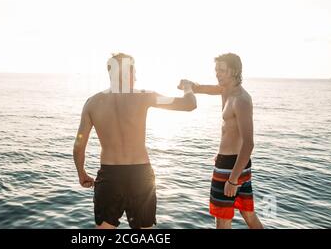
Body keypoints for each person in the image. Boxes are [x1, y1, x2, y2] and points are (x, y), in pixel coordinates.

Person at [73, 53, 196, 229]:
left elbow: (78, 146)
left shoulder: (92, 103)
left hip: (109, 178)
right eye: (134, 72)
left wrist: (81, 173)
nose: (136, 78)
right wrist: (188, 87)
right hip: (140, 176)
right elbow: (189, 104)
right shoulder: (145, 96)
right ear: (127, 73)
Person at [181, 53, 263, 229]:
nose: (217, 74)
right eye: (216, 69)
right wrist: (189, 85)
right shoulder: (225, 90)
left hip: (231, 168)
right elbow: (203, 88)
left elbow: (249, 143)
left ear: (233, 71)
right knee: (248, 214)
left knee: (222, 220)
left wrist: (233, 179)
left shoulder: (241, 100)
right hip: (234, 164)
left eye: (221, 70)